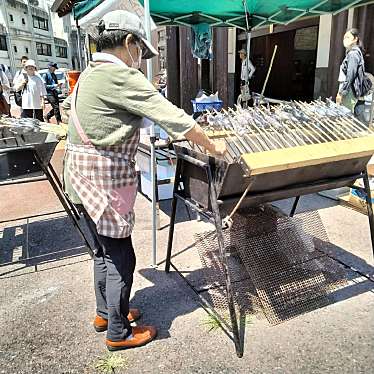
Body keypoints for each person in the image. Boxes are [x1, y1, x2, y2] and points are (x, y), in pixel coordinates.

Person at [61, 10, 226, 352]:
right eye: (141, 52)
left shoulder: (91, 73)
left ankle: (106, 313)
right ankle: (118, 333)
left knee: (101, 252)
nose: (141, 60)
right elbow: (174, 116)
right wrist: (214, 145)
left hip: (77, 177)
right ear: (129, 42)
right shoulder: (119, 75)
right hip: (101, 181)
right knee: (121, 257)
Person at [336, 28, 372, 116]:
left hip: (349, 90)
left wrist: (341, 93)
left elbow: (350, 75)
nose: (345, 40)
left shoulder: (353, 54)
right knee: (345, 114)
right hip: (349, 89)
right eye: (344, 38)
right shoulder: (354, 53)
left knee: (345, 114)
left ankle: (345, 130)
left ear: (355, 39)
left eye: (348, 37)